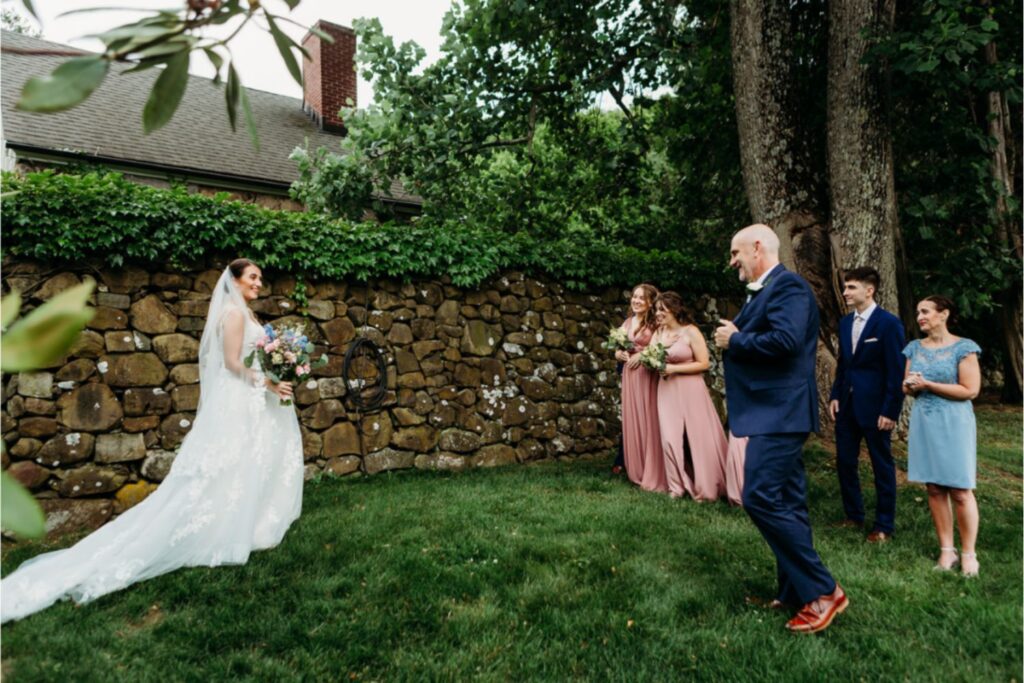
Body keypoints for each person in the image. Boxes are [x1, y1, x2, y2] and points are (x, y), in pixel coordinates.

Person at [1, 259, 303, 623]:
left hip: (244, 400)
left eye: (260, 277)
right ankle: (228, 525)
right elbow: (231, 364)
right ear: (234, 280)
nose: (259, 282)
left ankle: (245, 516)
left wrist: (278, 363)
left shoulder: (240, 311)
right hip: (241, 399)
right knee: (232, 462)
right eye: (253, 277)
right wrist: (269, 382)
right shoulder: (234, 315)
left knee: (241, 463)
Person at [714, 224, 846, 634]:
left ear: (758, 247)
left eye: (736, 253)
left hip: (782, 412)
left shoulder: (788, 288)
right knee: (788, 501)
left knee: (759, 497)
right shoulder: (768, 290)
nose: (732, 261)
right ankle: (794, 591)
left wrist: (735, 341)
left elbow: (786, 341)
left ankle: (825, 591)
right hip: (774, 411)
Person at [902, 296, 982, 577]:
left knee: (960, 490)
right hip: (925, 422)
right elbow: (908, 387)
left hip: (955, 422)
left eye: (925, 311)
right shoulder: (913, 348)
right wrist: (910, 386)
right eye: (917, 312)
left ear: (943, 314)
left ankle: (969, 553)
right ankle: (947, 550)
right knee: (934, 488)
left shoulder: (964, 348)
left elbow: (970, 390)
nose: (920, 316)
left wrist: (928, 384)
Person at [828, 267, 905, 542]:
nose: (846, 292)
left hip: (876, 409)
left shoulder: (888, 324)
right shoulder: (846, 323)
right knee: (845, 461)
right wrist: (835, 395)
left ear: (869, 290)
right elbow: (843, 364)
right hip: (847, 405)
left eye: (851, 287)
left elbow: (896, 372)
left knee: (881, 464)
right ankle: (853, 516)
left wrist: (890, 410)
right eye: (846, 287)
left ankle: (883, 525)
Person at [652, 292, 727, 501]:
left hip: (691, 389)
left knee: (699, 437)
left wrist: (673, 368)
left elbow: (704, 363)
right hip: (666, 390)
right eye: (656, 310)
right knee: (669, 439)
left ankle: (707, 486)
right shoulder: (658, 333)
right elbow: (650, 355)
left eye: (662, 310)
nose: (657, 314)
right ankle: (676, 487)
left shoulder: (691, 331)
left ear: (674, 310)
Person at [615, 284, 667, 492]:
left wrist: (643, 355)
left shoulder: (656, 324)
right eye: (634, 297)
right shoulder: (627, 322)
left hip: (647, 376)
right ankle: (634, 465)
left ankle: (652, 467)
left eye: (641, 298)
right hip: (629, 375)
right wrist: (617, 355)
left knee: (648, 417)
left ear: (650, 303)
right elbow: (618, 348)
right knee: (633, 417)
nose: (635, 301)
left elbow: (663, 347)